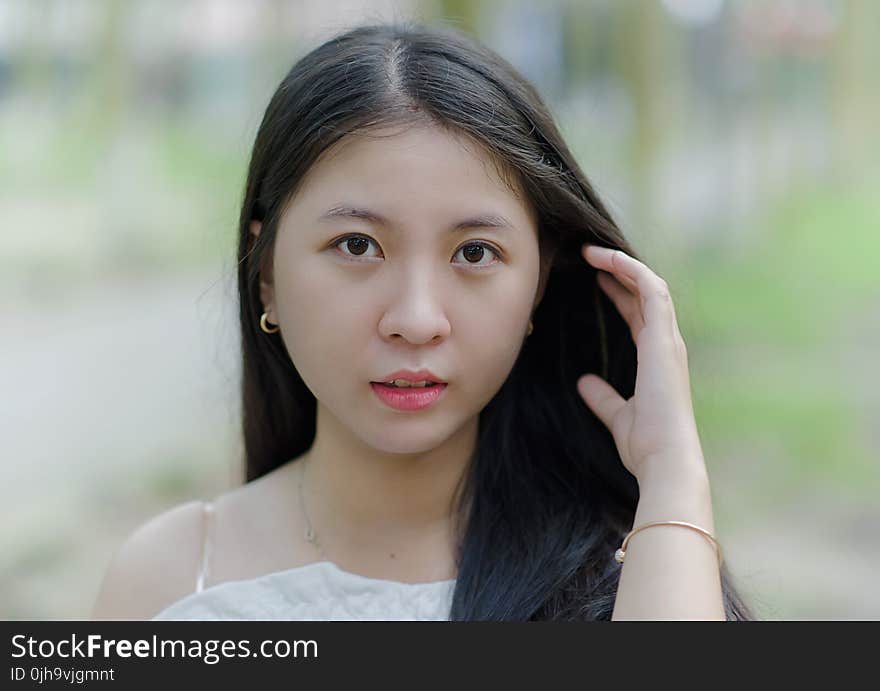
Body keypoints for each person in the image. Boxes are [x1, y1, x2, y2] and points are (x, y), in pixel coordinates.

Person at [92, 20, 754, 621]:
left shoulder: (632, 574)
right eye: (357, 245)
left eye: (474, 252)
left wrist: (672, 479)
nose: (415, 320)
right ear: (265, 272)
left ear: (538, 286)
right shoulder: (170, 581)